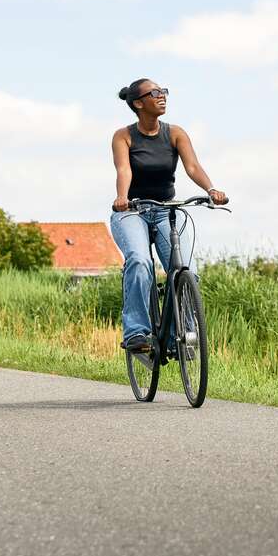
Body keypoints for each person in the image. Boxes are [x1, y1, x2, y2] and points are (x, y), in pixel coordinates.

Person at [110, 78, 228, 352]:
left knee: (186, 271)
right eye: (155, 93)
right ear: (139, 103)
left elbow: (193, 166)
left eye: (164, 91)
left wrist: (211, 189)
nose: (162, 96)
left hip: (167, 210)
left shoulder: (175, 133)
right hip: (132, 211)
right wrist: (122, 197)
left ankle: (183, 336)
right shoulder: (123, 136)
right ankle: (137, 334)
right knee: (140, 262)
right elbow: (124, 170)